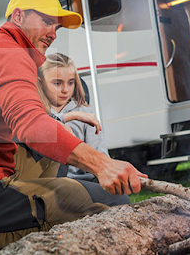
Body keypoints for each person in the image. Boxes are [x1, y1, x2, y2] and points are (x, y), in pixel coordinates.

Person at [0, 0, 146, 254]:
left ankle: (18, 222)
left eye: (57, 26)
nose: (53, 32)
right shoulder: (9, 53)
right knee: (111, 202)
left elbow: (29, 122)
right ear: (18, 16)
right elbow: (30, 125)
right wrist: (102, 164)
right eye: (46, 20)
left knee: (54, 148)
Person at [36, 52, 129, 206]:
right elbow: (40, 127)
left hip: (82, 182)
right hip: (48, 181)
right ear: (41, 82)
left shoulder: (87, 113)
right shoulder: (36, 111)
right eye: (57, 83)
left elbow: (100, 154)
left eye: (71, 82)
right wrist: (71, 116)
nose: (66, 90)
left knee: (121, 197)